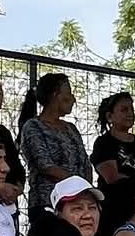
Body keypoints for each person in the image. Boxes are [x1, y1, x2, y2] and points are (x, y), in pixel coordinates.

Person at [18, 73, 93, 215]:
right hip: (47, 203)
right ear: (54, 95)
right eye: (68, 93)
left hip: (78, 202)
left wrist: (84, 190)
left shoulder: (71, 128)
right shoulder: (33, 126)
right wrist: (78, 185)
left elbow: (86, 163)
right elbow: (45, 165)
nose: (73, 99)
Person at [92, 91, 135, 189]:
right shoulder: (104, 143)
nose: (130, 113)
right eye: (124, 110)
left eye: (131, 109)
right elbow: (112, 178)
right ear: (109, 116)